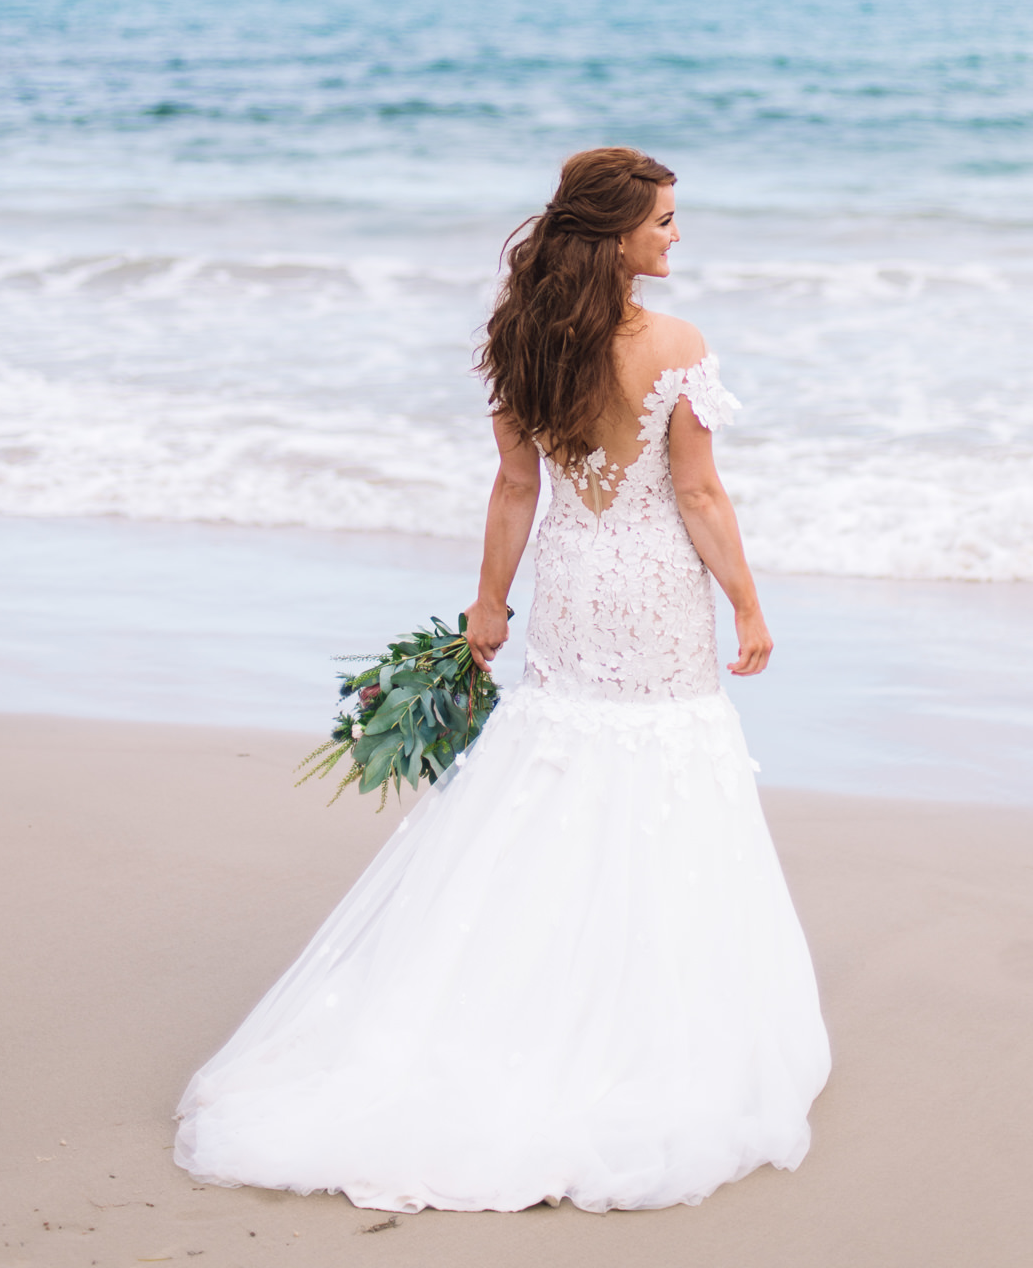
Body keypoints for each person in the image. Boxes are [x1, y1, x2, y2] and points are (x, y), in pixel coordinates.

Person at [174, 147, 830, 1214]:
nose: (676, 236)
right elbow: (699, 492)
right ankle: (641, 1023)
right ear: (617, 234)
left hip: (571, 587)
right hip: (656, 588)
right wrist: (750, 605)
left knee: (555, 766)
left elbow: (516, 483)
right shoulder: (675, 343)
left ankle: (511, 1001)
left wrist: (490, 602)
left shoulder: (522, 337)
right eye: (664, 221)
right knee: (664, 772)